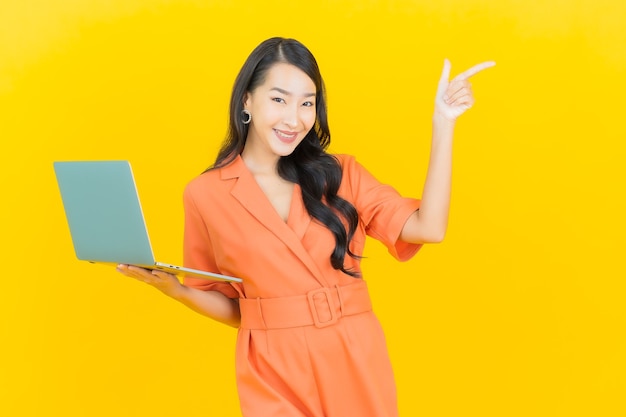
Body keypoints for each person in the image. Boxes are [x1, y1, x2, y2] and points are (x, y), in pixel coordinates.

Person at [117, 37, 494, 417]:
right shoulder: (205, 194)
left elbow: (428, 228)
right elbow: (235, 307)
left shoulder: (340, 173)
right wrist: (175, 290)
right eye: (279, 99)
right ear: (246, 100)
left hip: (352, 353)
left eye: (307, 103)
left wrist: (443, 124)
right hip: (271, 366)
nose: (294, 118)